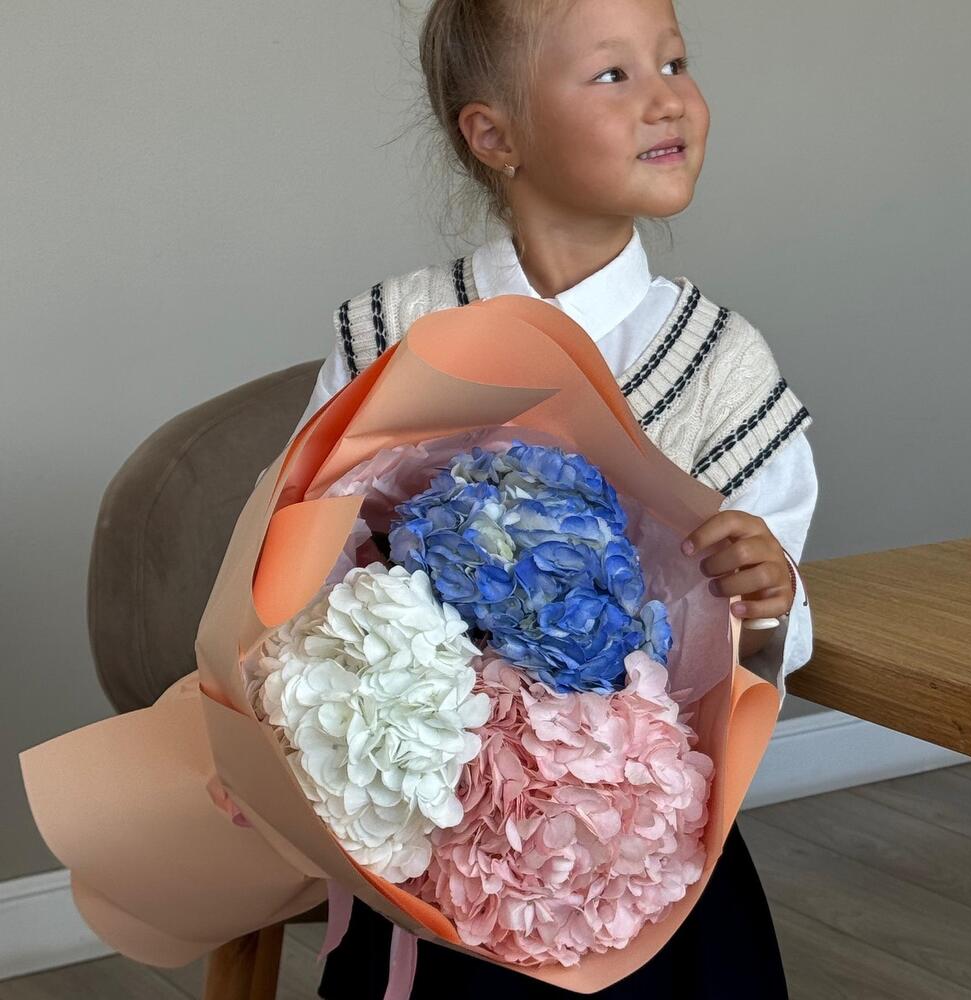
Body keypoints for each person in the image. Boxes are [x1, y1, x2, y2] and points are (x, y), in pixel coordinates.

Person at [267, 1, 819, 995]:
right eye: (613, 74)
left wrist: (768, 595)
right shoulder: (394, 328)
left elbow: (767, 639)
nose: (668, 98)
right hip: (439, 830)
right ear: (495, 135)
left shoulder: (723, 365)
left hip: (633, 849)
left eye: (675, 61)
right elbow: (302, 567)